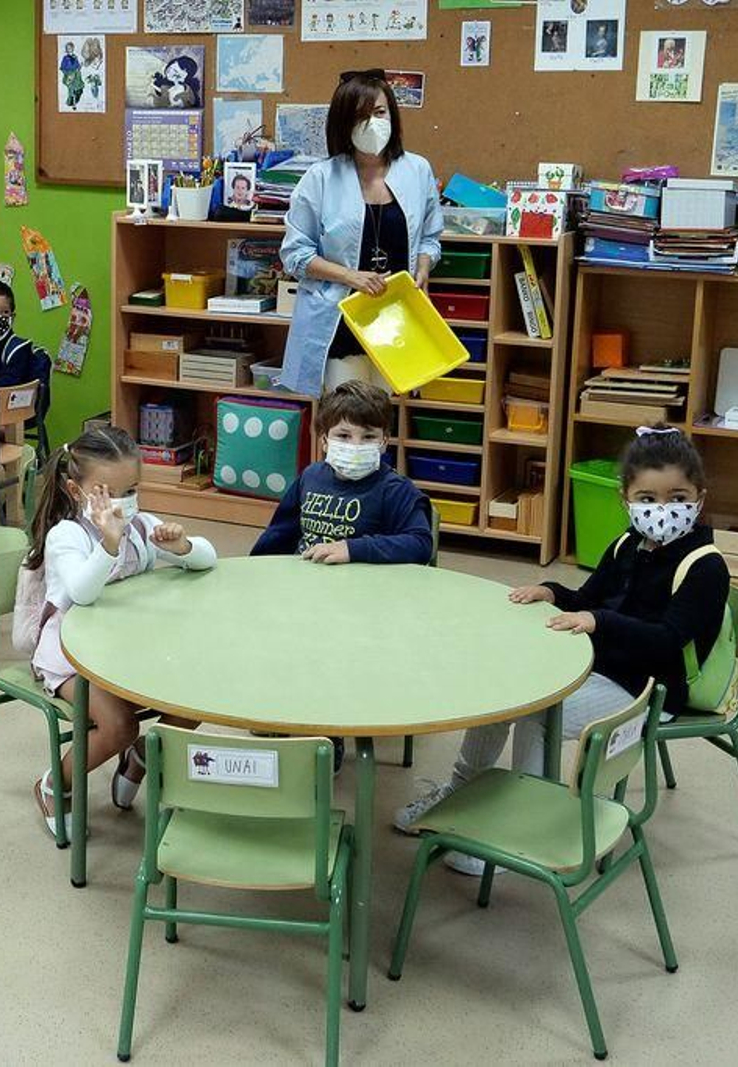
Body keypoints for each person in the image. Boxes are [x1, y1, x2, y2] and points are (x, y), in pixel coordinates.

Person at [394, 426, 729, 874]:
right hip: (598, 666)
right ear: (625, 498)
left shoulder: (706, 567)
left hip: (648, 688)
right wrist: (553, 592)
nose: (662, 510)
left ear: (699, 498)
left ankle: (518, 832)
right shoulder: (628, 542)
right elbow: (591, 599)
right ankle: (459, 793)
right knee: (503, 691)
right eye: (647, 499)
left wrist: (599, 622)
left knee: (538, 711)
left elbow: (667, 640)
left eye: (677, 496)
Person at [25, 426, 218, 838]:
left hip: (129, 650)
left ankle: (141, 758)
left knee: (197, 699)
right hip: (70, 656)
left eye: (131, 489)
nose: (122, 502)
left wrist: (183, 546)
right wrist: (108, 544)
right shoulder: (67, 536)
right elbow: (82, 591)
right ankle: (54, 786)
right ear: (76, 491)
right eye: (107, 492)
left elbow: (208, 559)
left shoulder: (141, 527)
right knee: (118, 726)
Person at [278, 69, 444, 397]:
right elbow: (294, 254)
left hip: (396, 320)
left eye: (379, 112)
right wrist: (351, 277)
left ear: (392, 115)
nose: (372, 123)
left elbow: (430, 236)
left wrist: (423, 268)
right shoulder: (320, 177)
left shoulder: (418, 170)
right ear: (343, 122)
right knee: (346, 421)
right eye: (360, 116)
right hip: (340, 321)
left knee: (380, 422)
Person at [252, 381, 431, 564]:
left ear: (384, 442)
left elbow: (420, 544)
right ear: (325, 440)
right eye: (343, 436)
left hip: (359, 586)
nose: (355, 445)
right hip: (307, 580)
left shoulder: (395, 489)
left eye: (368, 437)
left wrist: (352, 549)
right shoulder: (311, 476)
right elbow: (279, 533)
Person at [60, 41, 84, 109]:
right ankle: (71, 103)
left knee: (78, 88)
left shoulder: (75, 57)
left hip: (76, 76)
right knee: (71, 89)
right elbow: (62, 68)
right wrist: (68, 74)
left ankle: (75, 101)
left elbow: (77, 66)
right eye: (67, 48)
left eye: (70, 48)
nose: (69, 49)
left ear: (73, 48)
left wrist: (80, 66)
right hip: (69, 75)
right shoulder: (65, 58)